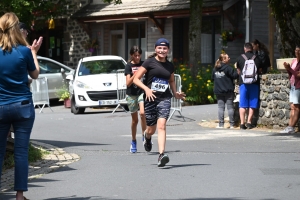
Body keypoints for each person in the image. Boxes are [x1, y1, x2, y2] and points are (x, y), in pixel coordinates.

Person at [0, 12, 43, 200]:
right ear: (16, 28)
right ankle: (19, 196)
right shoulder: (24, 51)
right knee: (21, 152)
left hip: (1, 106)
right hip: (23, 106)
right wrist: (33, 52)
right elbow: (35, 75)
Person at [133, 38, 185, 167]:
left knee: (162, 125)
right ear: (156, 49)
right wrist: (146, 89)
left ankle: (161, 155)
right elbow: (135, 79)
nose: (162, 50)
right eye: (160, 48)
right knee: (151, 129)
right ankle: (147, 136)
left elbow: (171, 81)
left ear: (168, 50)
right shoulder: (149, 62)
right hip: (150, 99)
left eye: (165, 48)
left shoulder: (169, 65)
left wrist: (175, 93)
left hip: (164, 98)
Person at [124, 46, 146, 153]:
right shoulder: (128, 66)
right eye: (135, 55)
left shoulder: (143, 64)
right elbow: (128, 83)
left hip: (141, 92)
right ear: (132, 55)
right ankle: (133, 140)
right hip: (131, 94)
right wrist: (135, 75)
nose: (137, 57)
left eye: (139, 55)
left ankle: (144, 136)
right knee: (135, 120)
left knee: (142, 113)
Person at [236, 42, 262, 130]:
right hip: (254, 83)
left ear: (245, 49)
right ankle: (249, 122)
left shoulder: (240, 58)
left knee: (242, 104)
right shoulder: (257, 58)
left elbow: (238, 71)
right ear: (252, 49)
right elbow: (260, 71)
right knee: (252, 104)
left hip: (243, 83)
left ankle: (242, 124)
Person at [212, 53, 239, 128]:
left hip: (218, 91)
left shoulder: (215, 69)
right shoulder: (228, 68)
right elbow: (235, 75)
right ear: (224, 59)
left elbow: (212, 78)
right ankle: (232, 124)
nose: (229, 58)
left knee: (220, 107)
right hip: (228, 90)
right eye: (228, 57)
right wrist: (237, 69)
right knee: (230, 107)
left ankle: (221, 124)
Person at [280, 45, 300, 134]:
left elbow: (298, 75)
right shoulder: (294, 61)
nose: (297, 52)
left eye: (299, 50)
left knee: (296, 107)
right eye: (296, 50)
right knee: (292, 107)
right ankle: (289, 127)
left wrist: (290, 69)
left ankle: (291, 126)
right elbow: (291, 73)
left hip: (298, 86)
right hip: (293, 85)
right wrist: (288, 69)